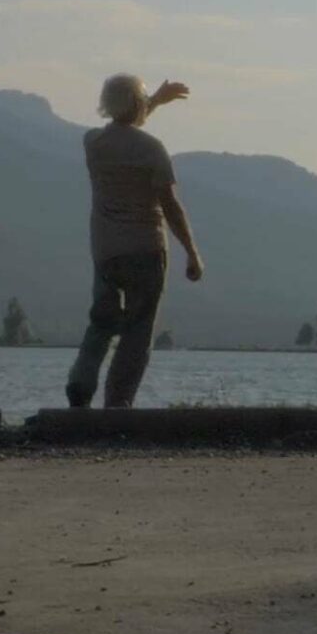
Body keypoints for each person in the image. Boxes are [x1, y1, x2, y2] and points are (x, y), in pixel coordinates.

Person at [65, 73, 204, 408]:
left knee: (101, 323)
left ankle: (80, 383)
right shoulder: (152, 149)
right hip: (146, 249)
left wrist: (153, 100)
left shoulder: (93, 143)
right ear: (138, 104)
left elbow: (124, 124)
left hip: (106, 252)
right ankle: (118, 403)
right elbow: (170, 206)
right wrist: (192, 252)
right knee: (137, 332)